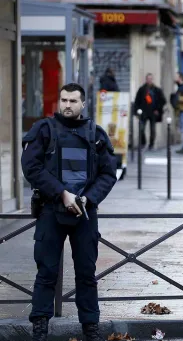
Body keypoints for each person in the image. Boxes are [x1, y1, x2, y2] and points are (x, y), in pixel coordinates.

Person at [21, 83, 118, 341]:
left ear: (83, 104)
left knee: (86, 273)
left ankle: (90, 327)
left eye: (73, 101)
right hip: (52, 211)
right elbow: (30, 166)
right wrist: (62, 193)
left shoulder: (96, 134)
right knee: (46, 272)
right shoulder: (44, 131)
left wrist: (88, 198)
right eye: (63, 100)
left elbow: (108, 174)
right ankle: (40, 325)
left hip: (84, 214)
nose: (67, 105)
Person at [134, 73, 166, 150]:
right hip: (143, 113)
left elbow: (163, 101)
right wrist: (137, 112)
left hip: (153, 113)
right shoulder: (142, 89)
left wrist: (157, 109)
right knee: (141, 129)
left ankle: (151, 144)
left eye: (150, 79)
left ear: (152, 79)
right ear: (146, 79)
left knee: (153, 130)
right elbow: (137, 101)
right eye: (148, 79)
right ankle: (143, 142)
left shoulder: (157, 90)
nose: (149, 80)